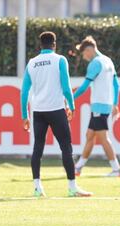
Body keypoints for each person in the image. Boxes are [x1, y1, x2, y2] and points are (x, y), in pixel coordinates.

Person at [20, 31, 92, 197]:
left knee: (37, 148)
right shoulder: (59, 59)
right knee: (66, 148)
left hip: (38, 111)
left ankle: (37, 188)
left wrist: (25, 115)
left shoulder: (31, 63)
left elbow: (24, 92)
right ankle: (72, 187)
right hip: (56, 109)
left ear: (40, 45)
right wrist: (71, 106)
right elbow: (66, 87)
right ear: (54, 44)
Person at [73, 36, 120, 177]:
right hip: (104, 105)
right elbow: (116, 85)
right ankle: (78, 167)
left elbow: (84, 87)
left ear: (89, 49)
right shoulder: (108, 61)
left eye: (83, 53)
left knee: (103, 137)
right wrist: (115, 104)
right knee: (90, 135)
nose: (83, 56)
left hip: (99, 106)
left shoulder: (95, 63)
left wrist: (71, 98)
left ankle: (116, 169)